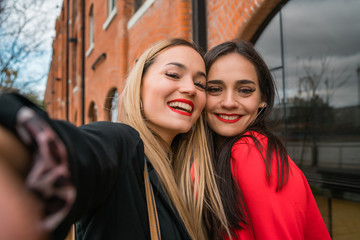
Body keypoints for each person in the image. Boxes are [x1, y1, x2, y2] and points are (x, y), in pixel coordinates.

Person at [0, 38, 229, 240]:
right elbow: (59, 150)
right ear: (139, 87)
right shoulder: (121, 143)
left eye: (200, 84)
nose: (190, 88)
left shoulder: (192, 185)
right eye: (173, 74)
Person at [203, 40, 331, 239]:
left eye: (245, 90)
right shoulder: (213, 153)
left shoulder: (251, 154)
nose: (228, 102)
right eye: (214, 89)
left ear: (263, 98)